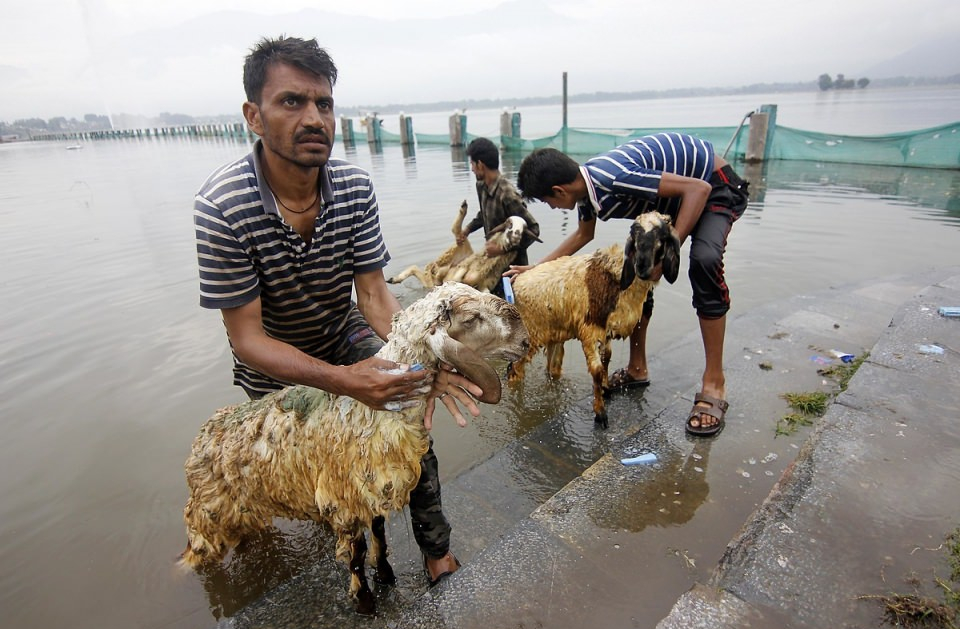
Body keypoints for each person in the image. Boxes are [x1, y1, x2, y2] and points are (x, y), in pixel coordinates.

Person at [192, 36, 469, 585]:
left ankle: (437, 552)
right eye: (292, 102)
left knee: (408, 422)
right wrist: (342, 382)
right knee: (319, 471)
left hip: (341, 331)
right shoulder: (221, 206)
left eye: (323, 103)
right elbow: (248, 339)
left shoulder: (355, 187)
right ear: (254, 115)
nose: (314, 117)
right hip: (272, 365)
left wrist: (423, 363)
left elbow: (373, 297)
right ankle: (351, 548)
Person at [510, 133, 749, 436]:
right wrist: (536, 268)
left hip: (713, 186)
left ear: (559, 190)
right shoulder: (588, 191)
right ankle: (638, 369)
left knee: (704, 261)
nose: (553, 207)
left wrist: (670, 250)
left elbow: (698, 189)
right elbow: (584, 235)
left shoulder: (613, 177)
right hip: (677, 197)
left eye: (548, 201)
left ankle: (714, 384)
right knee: (638, 274)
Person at [459, 137, 540, 297]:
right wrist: (467, 230)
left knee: (512, 311)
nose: (472, 169)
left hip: (512, 268)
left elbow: (533, 230)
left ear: (480, 164)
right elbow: (484, 213)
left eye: (472, 164)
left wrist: (502, 248)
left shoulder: (507, 194)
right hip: (490, 265)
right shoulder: (481, 186)